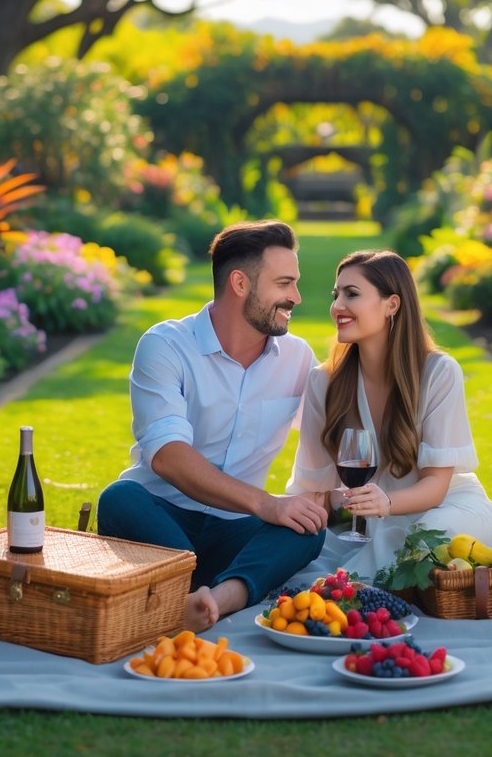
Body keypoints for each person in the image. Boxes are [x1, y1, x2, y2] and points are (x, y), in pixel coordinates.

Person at [97, 220, 327, 632]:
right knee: (119, 497)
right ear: (240, 283)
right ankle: (196, 584)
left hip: (233, 530)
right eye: (284, 283)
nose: (296, 297)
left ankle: (212, 598)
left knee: (306, 527)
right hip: (160, 522)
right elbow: (167, 457)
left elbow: (335, 432)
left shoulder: (297, 357)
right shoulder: (166, 345)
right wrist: (266, 503)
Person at [286, 249, 492, 578]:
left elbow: (436, 485)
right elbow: (314, 489)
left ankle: (349, 592)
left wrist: (386, 504)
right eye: (337, 295)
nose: (337, 306)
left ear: (392, 304)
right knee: (299, 545)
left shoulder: (437, 372)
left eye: (352, 294)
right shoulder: (324, 381)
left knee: (425, 535)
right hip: (375, 524)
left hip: (447, 508)